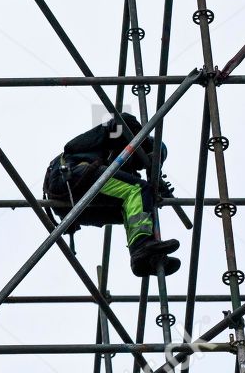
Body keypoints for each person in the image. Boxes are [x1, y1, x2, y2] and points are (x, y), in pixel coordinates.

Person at [43, 112, 181, 277]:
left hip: (76, 205)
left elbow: (140, 198)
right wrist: (142, 139)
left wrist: (155, 185)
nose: (143, 165)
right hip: (72, 177)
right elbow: (123, 120)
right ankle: (142, 246)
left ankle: (144, 257)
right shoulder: (113, 138)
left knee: (135, 204)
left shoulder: (122, 167)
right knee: (137, 190)